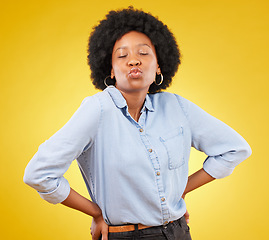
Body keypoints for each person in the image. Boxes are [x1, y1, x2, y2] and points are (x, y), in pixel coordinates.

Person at [23, 6, 252, 240]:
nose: (133, 61)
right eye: (122, 56)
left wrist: (179, 190)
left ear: (159, 66)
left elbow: (235, 149)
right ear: (111, 70)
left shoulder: (176, 107)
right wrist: (96, 213)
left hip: (178, 231)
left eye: (143, 53)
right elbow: (39, 174)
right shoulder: (97, 109)